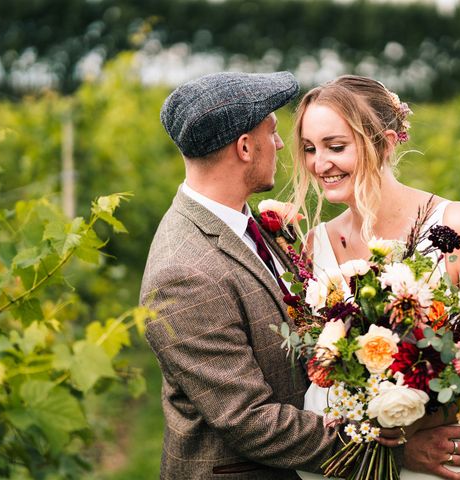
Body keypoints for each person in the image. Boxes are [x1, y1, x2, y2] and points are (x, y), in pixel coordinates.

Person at [290, 75, 460, 480]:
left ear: (387, 142)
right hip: (335, 468)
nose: (320, 164)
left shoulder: (458, 225)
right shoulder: (312, 244)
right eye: (309, 149)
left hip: (434, 466)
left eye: (336, 147)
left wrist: (413, 420)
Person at [140, 71, 346, 479]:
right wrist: (389, 444)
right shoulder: (183, 273)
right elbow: (249, 420)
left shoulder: (245, 222)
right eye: (272, 131)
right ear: (246, 147)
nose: (281, 143)